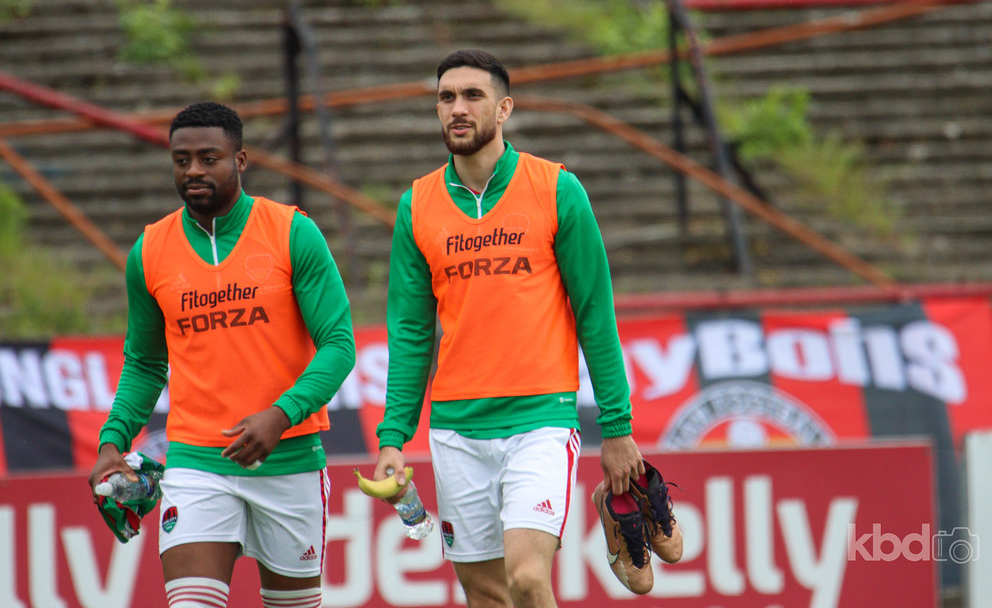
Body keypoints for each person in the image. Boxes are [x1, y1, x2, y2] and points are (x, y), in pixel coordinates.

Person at [373, 49, 647, 607]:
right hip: (455, 428)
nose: (457, 108)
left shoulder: (556, 188)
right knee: (487, 594)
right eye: (446, 97)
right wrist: (392, 437)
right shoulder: (416, 204)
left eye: (473, 96)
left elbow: (595, 311)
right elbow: (409, 333)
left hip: (539, 421)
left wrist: (617, 427)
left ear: (504, 108)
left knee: (526, 577)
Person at [88, 101, 355, 608]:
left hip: (290, 458)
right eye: (180, 159)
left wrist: (282, 414)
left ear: (241, 160)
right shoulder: (148, 251)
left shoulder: (293, 232)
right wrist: (111, 442)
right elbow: (145, 362)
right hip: (195, 464)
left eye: (209, 158)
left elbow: (339, 344)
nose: (193, 170)